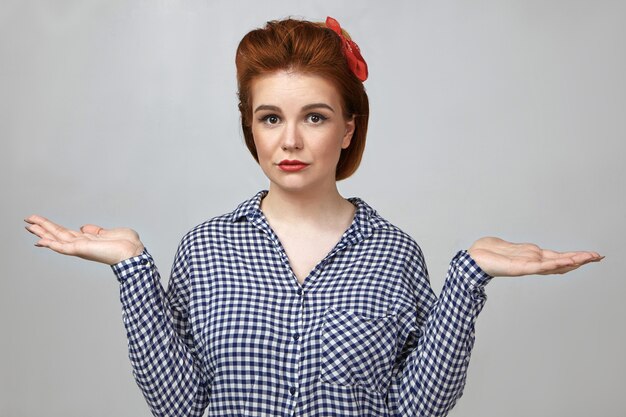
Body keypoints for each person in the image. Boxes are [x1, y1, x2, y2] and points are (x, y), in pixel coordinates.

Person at [24, 17, 602, 417]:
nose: (291, 140)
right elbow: (178, 406)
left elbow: (415, 409)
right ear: (250, 127)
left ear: (348, 127)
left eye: (316, 117)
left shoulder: (394, 254)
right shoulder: (204, 249)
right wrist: (133, 270)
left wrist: (469, 277)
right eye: (271, 118)